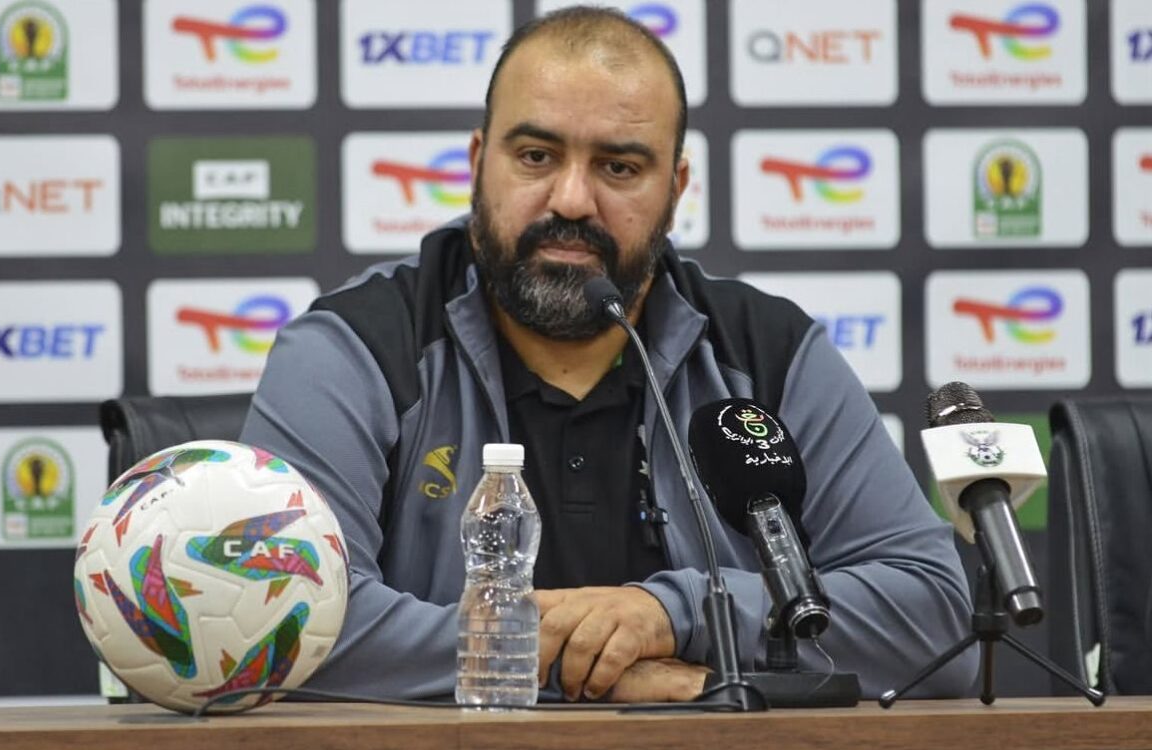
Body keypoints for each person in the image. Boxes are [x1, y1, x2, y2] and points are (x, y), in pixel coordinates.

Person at [240, 6, 977, 703]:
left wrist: (676, 615)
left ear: (675, 189)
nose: (571, 200)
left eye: (618, 167)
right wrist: (581, 667)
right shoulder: (355, 348)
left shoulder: (769, 354)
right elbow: (280, 615)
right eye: (535, 156)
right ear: (478, 162)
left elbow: (937, 618)